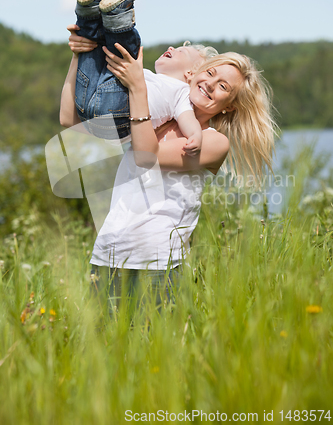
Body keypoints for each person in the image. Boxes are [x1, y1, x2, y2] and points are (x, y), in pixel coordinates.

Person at [60, 23, 277, 308]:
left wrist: (138, 86)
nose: (211, 84)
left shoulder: (213, 142)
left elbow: (146, 155)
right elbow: (70, 120)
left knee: (152, 350)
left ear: (230, 106)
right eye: (210, 73)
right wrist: (79, 56)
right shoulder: (155, 117)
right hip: (108, 253)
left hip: (158, 264)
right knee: (101, 349)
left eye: (223, 86)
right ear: (194, 75)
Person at [64, 0, 218, 156]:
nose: (171, 47)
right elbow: (66, 119)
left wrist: (195, 136)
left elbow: (188, 119)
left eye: (181, 51)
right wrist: (78, 54)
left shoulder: (181, 92)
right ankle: (88, 11)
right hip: (89, 107)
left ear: (191, 74)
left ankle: (118, 13)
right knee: (96, 50)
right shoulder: (148, 77)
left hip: (118, 119)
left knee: (126, 54)